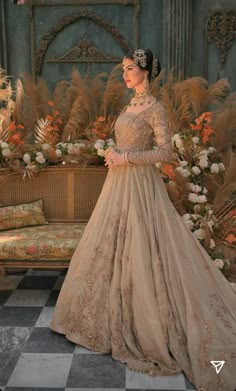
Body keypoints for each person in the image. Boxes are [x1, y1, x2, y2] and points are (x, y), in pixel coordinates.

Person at [50, 48, 236, 391]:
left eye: (130, 68)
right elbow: (125, 141)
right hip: (118, 184)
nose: (125, 73)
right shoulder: (129, 104)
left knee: (144, 245)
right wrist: (113, 151)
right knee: (110, 243)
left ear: (146, 72)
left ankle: (155, 324)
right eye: (123, 68)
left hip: (141, 185)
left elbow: (165, 151)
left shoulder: (156, 108)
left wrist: (127, 157)